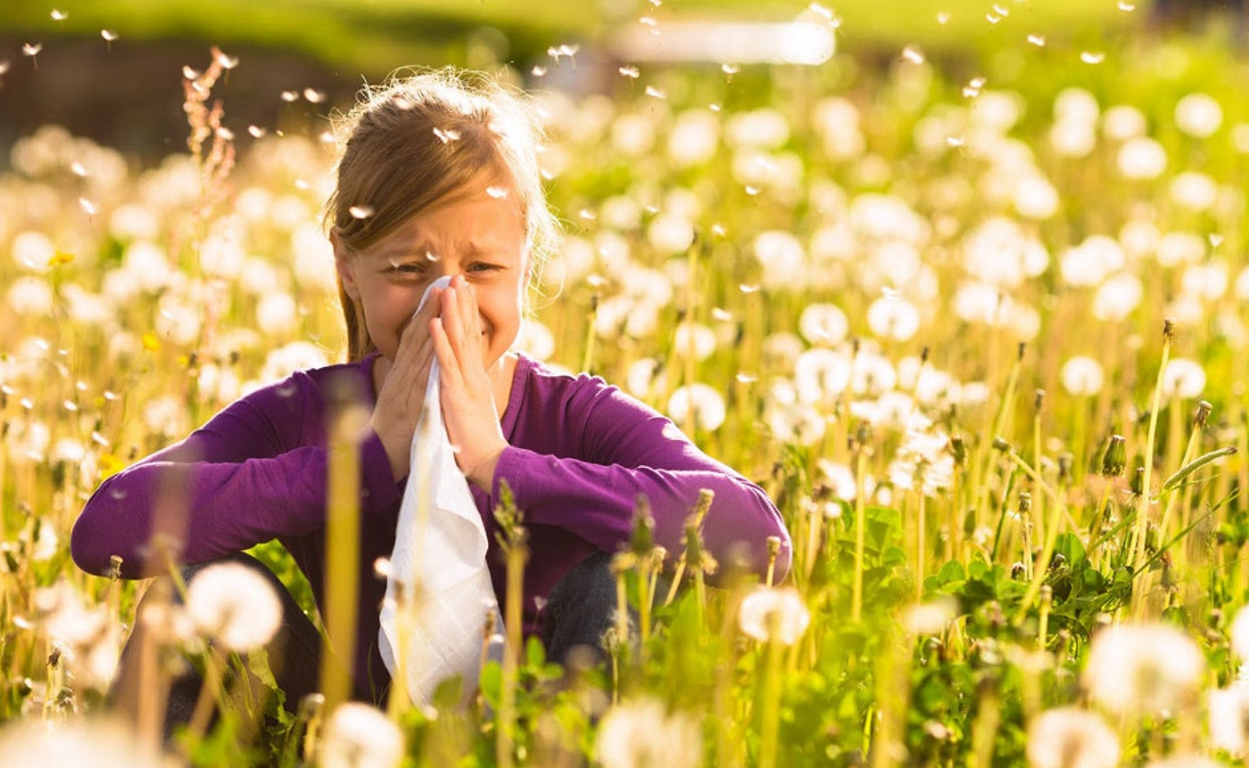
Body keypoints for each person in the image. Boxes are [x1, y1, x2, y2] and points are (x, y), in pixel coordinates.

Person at [70, 69, 792, 721]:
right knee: (192, 591)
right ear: (347, 268)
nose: (447, 301)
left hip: (547, 724)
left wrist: (499, 464)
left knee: (619, 581)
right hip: (350, 727)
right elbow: (107, 529)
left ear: (524, 264)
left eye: (481, 266)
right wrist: (360, 463)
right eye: (408, 268)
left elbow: (759, 539)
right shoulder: (309, 413)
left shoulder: (571, 413)